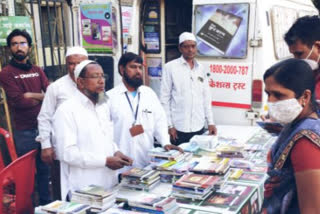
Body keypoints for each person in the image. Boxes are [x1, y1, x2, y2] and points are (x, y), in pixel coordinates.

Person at [53, 60, 132, 200]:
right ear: (80, 82)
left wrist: (116, 151)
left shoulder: (103, 105)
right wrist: (105, 161)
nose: (101, 81)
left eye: (102, 76)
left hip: (109, 182)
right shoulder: (66, 110)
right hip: (84, 187)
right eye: (95, 76)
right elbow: (67, 153)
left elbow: (106, 136)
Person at [262, 58, 320, 214]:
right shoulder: (298, 122)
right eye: (268, 93)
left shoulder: (306, 141)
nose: (270, 101)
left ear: (305, 97)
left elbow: (312, 210)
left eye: (278, 95)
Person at [0, 29, 51, 205]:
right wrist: (40, 97)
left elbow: (50, 94)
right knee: (27, 176)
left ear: (29, 46)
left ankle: (46, 206)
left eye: (22, 43)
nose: (19, 47)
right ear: (10, 49)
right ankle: (29, 208)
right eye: (14, 44)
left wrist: (31, 95)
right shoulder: (6, 73)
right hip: (25, 131)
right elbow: (19, 102)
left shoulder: (37, 70)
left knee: (45, 171)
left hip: (44, 128)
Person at [106, 52, 181, 171]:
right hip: (121, 163)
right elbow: (105, 133)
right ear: (122, 69)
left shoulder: (149, 94)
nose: (138, 71)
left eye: (140, 67)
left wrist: (165, 142)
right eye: (133, 67)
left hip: (147, 163)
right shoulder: (109, 98)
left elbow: (160, 121)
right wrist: (114, 151)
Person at [36, 46, 88, 200]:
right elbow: (44, 117)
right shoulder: (56, 88)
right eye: (71, 63)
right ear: (66, 64)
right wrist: (46, 146)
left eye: (80, 63)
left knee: (87, 189)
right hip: (63, 149)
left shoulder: (95, 85)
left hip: (87, 148)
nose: (76, 67)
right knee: (62, 191)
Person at [160, 32, 217, 146]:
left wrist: (210, 122)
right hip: (178, 128)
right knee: (178, 161)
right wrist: (169, 125)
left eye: (193, 46)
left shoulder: (201, 68)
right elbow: (164, 99)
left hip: (198, 126)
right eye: (186, 46)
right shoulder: (170, 67)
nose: (190, 50)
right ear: (180, 48)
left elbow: (206, 97)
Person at [284, 15, 320, 100]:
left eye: (299, 54)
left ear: (318, 47)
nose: (296, 60)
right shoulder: (312, 73)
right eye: (293, 55)